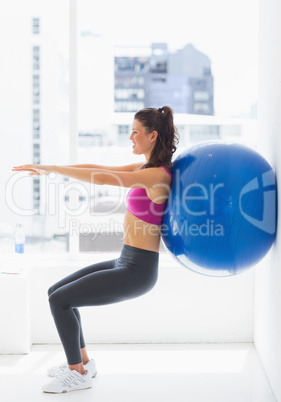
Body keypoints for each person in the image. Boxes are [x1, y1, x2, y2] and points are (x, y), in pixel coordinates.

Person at [12, 106, 179, 393]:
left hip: (138, 271)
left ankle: (76, 373)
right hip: (125, 260)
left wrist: (50, 170)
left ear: (152, 136)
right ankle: (85, 363)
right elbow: (99, 170)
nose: (130, 137)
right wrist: (49, 168)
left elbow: (103, 180)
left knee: (61, 301)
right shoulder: (146, 169)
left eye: (135, 132)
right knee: (56, 293)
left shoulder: (158, 176)